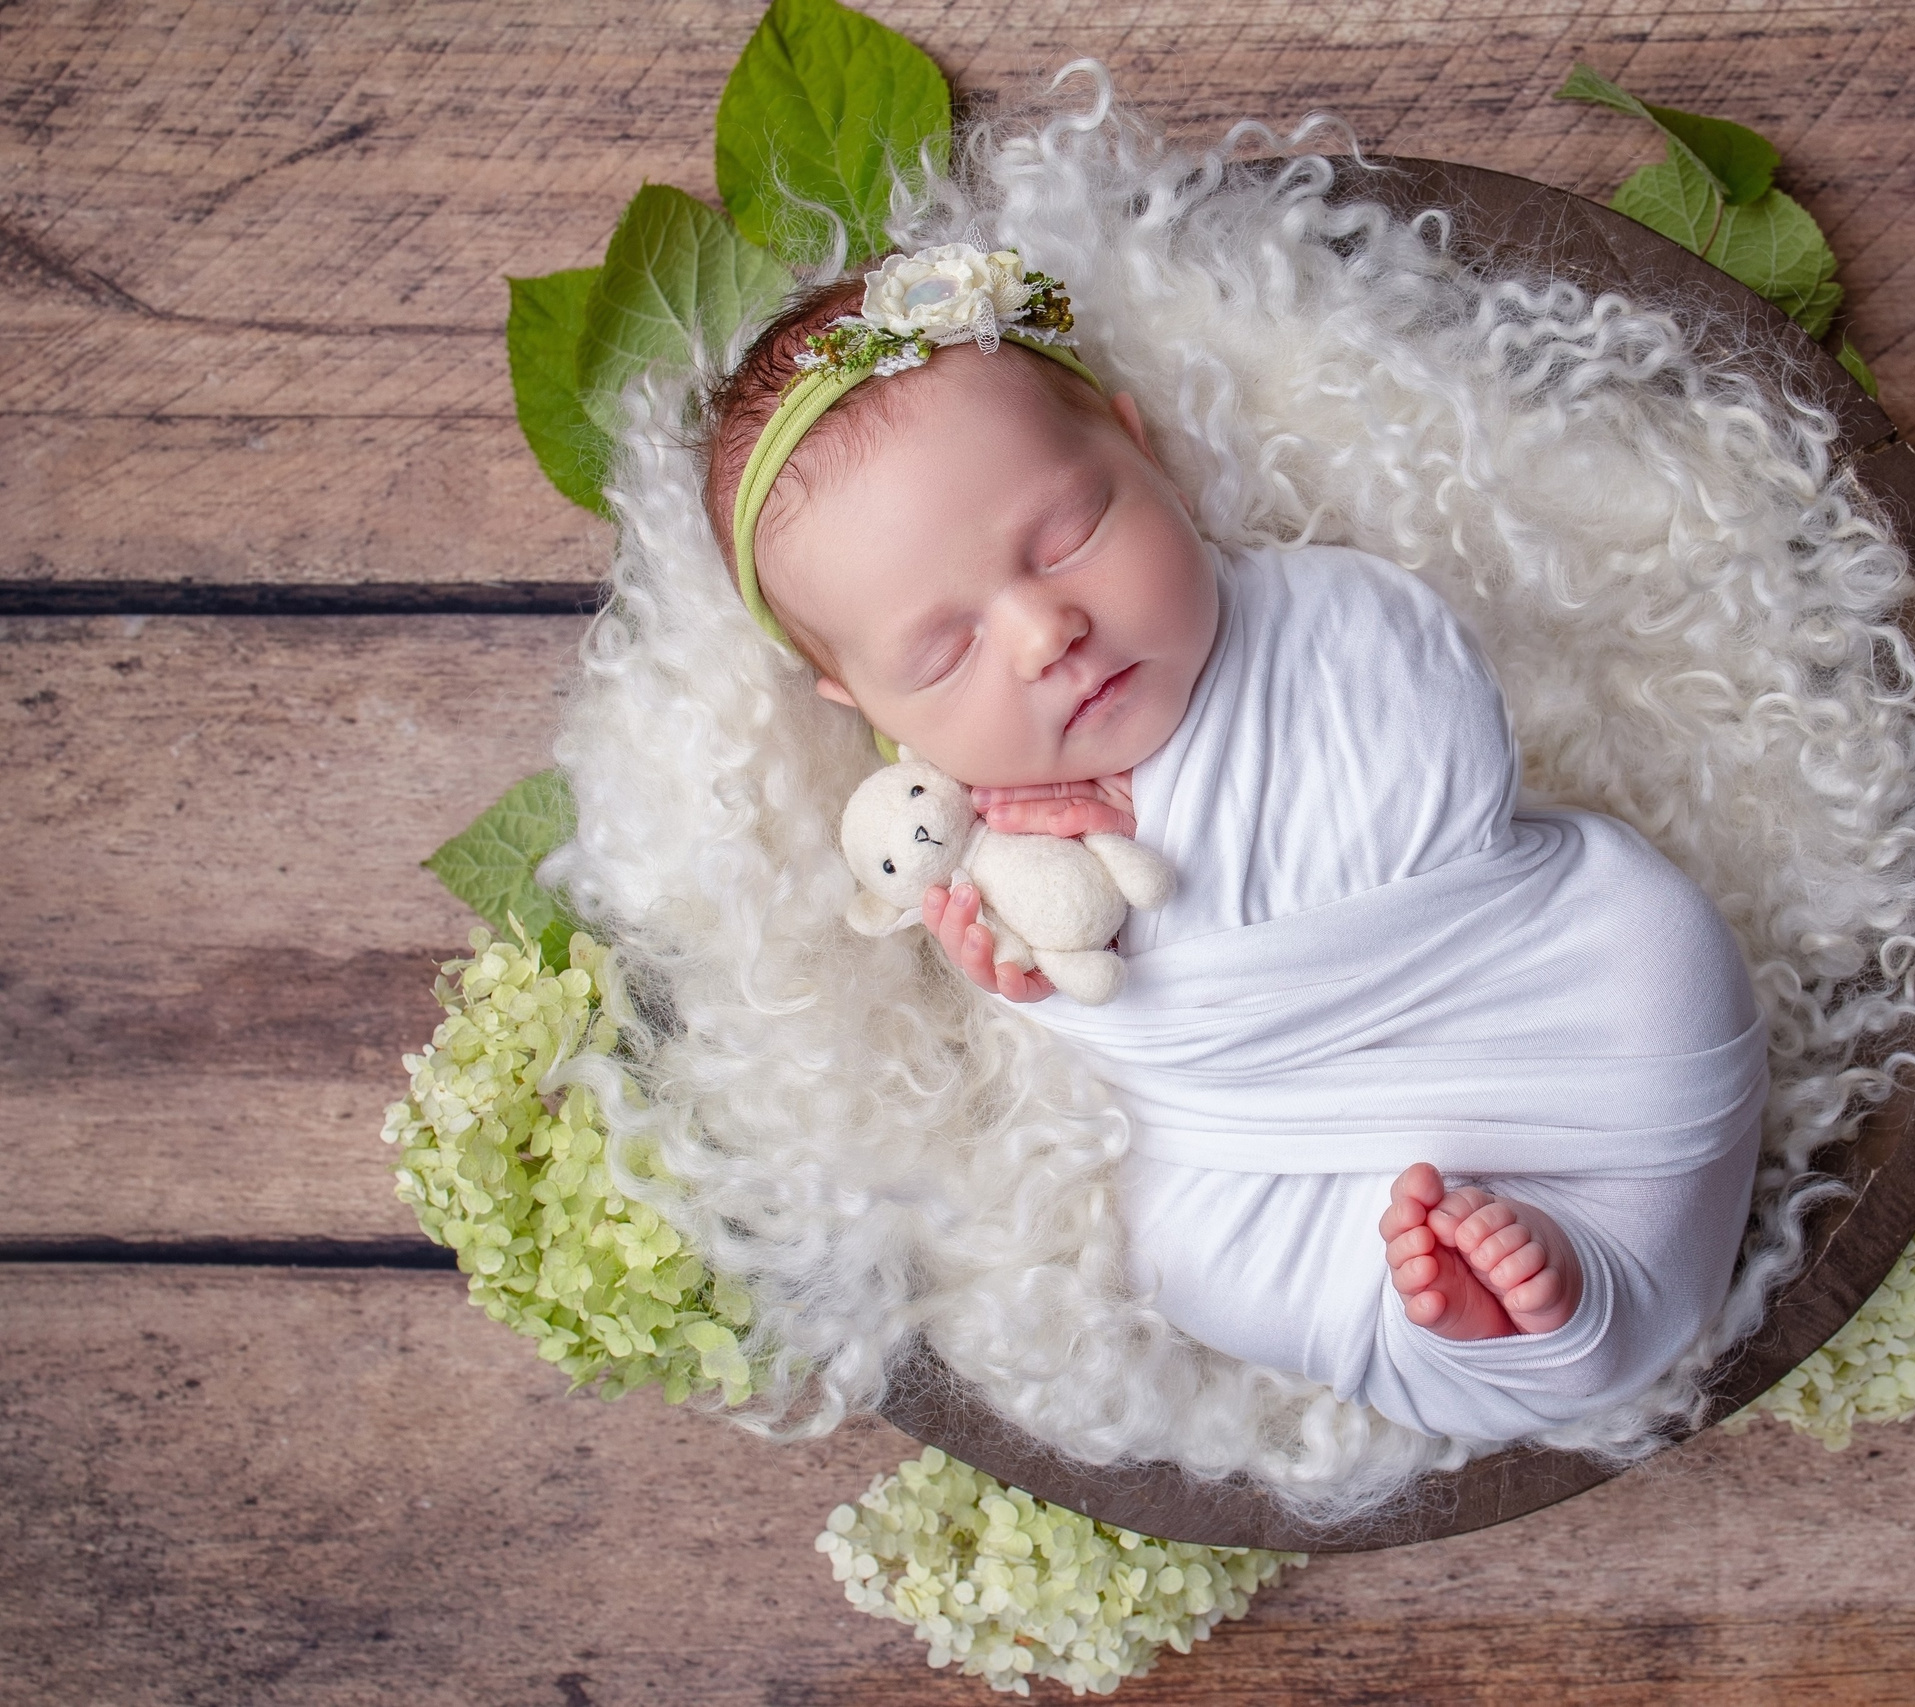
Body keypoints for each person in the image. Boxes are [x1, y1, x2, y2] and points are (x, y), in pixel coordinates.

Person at [699, 243, 1767, 1440]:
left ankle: (1569, 1282)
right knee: (1182, 1251)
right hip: (1278, 1151)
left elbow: (1444, 744)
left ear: (1143, 455)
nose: (1044, 630)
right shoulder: (967, 841)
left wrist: (1167, 823)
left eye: (1067, 535)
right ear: (866, 709)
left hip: (1566, 1014)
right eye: (945, 656)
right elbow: (1107, 1036)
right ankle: (1525, 1316)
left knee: (1661, 946)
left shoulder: (1327, 622)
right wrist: (1025, 969)